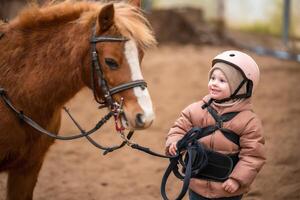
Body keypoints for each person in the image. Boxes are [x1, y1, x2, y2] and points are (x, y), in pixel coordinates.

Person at [166, 50, 266, 200]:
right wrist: (174, 143)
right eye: (212, 78)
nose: (214, 83)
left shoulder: (248, 121)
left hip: (227, 189)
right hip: (196, 184)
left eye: (222, 80)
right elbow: (179, 128)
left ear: (241, 87)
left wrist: (237, 180)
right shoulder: (196, 110)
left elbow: (253, 156)